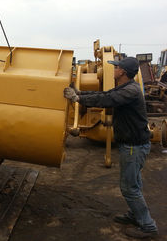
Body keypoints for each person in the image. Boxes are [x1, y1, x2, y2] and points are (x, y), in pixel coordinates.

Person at [64, 57, 158, 239]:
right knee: (134, 183)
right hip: (133, 145)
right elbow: (106, 94)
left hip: (134, 147)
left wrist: (77, 98)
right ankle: (135, 214)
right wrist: (80, 94)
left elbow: (107, 99)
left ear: (122, 72)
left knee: (129, 187)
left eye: (116, 68)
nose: (113, 70)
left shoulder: (129, 91)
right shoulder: (126, 87)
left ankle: (148, 226)